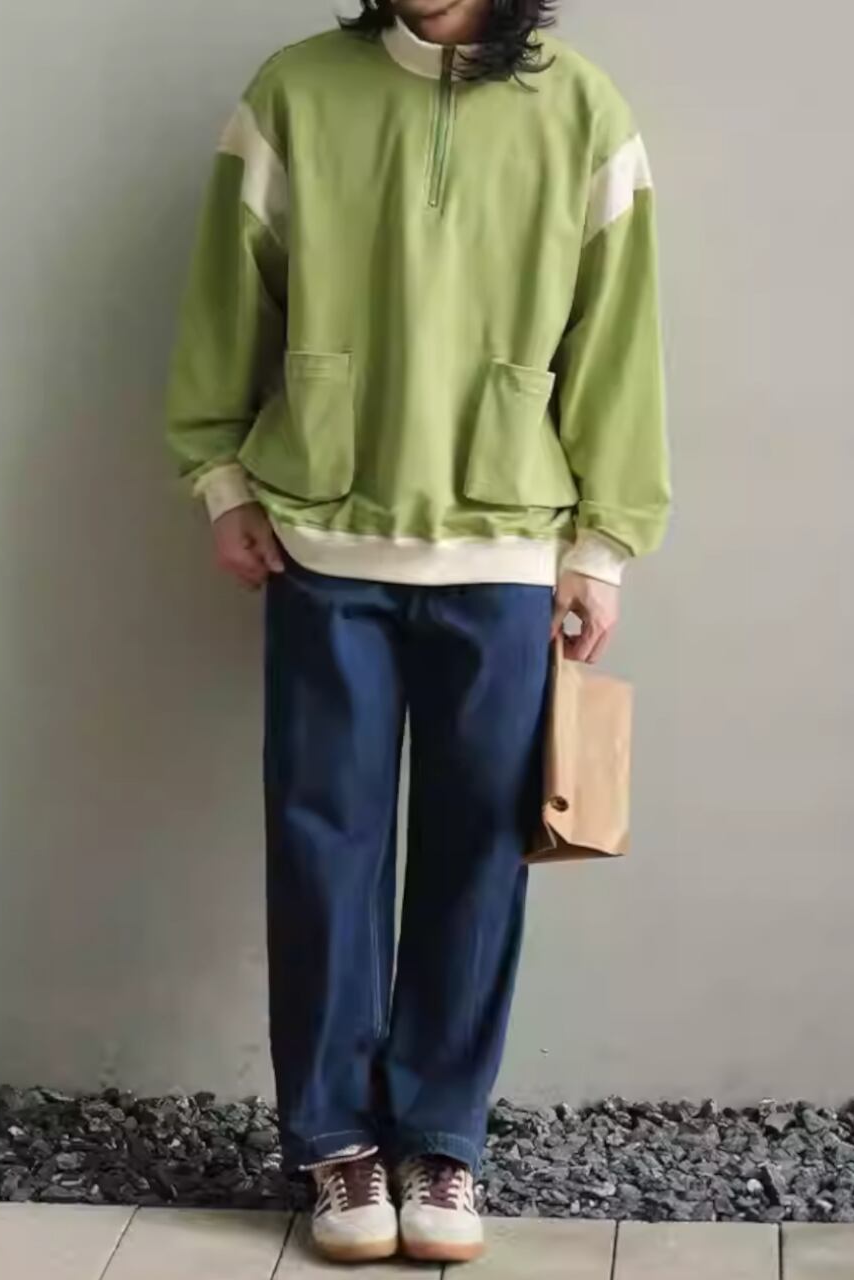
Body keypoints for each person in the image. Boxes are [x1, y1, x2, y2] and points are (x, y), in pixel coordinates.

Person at [165, 0, 669, 1264]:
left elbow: (618, 337)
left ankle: (442, 1139)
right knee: (320, 847)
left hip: (506, 550)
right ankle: (334, 1139)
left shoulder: (582, 111)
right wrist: (220, 480)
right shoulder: (294, 93)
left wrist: (601, 546)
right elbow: (227, 296)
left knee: (477, 854)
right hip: (320, 541)